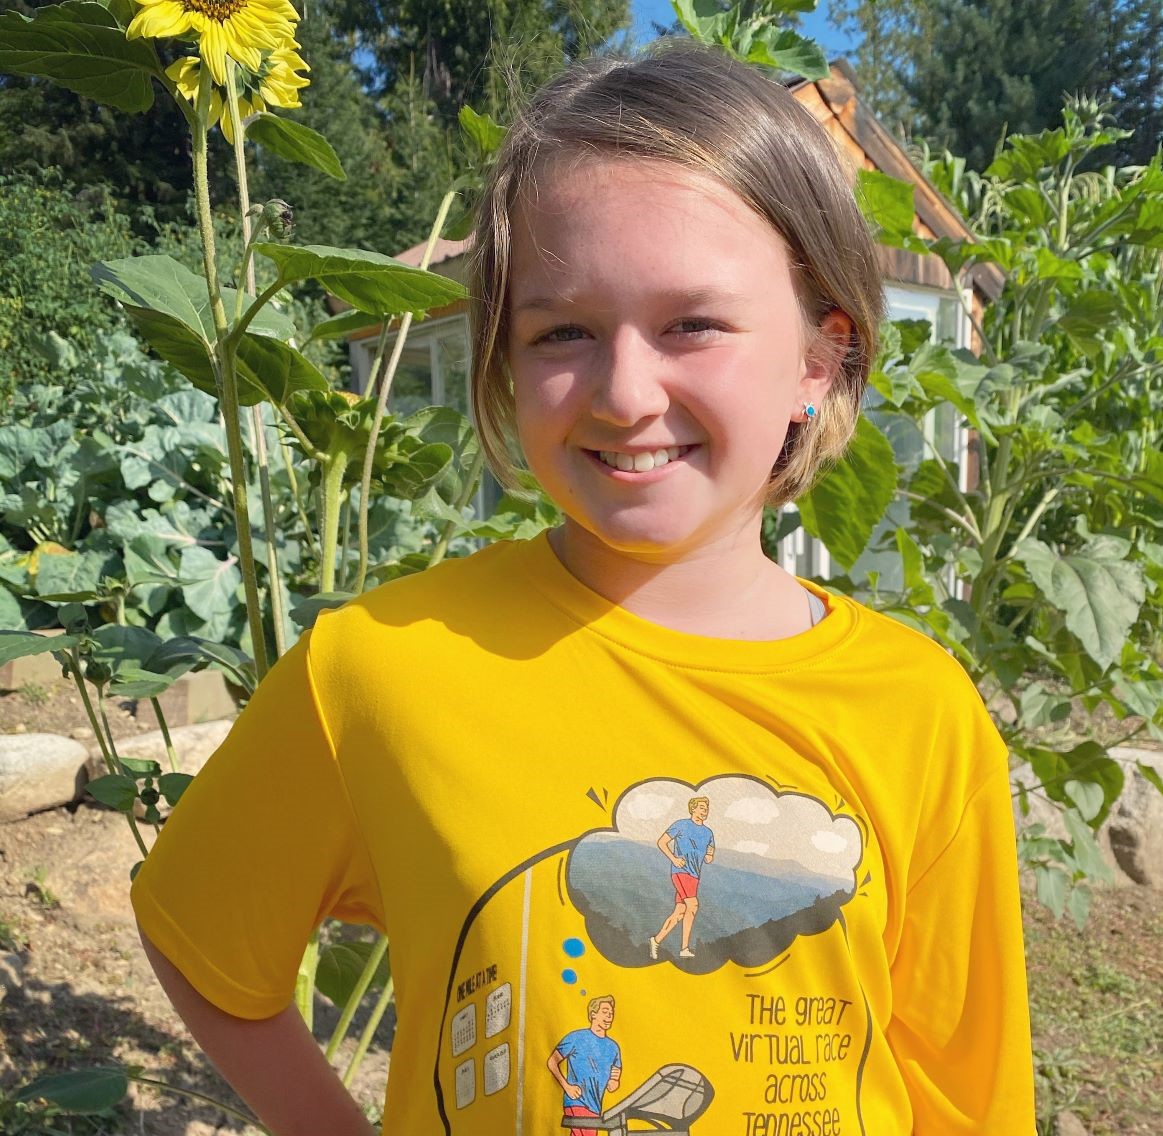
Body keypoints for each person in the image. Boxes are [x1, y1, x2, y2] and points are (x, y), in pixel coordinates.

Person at [130, 42, 1036, 1136]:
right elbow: (200, 934)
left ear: (818, 357)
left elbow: (960, 1092)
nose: (622, 391)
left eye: (691, 323)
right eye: (561, 331)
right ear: (504, 365)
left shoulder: (921, 712)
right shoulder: (377, 666)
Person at [650, 796, 714, 959]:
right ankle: (684, 948)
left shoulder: (708, 832)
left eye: (706, 808)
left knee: (680, 912)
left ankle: (656, 941)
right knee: (693, 905)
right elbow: (661, 842)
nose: (705, 811)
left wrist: (709, 857)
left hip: (694, 876)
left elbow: (711, 850)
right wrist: (674, 859)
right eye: (701, 807)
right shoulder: (681, 825)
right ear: (693, 809)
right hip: (681, 872)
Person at [546, 996, 621, 1134]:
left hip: (595, 1107)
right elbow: (552, 1061)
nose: (609, 1016)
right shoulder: (576, 1037)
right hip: (577, 1101)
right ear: (593, 1014)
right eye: (605, 1011)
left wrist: (614, 1081)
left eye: (611, 1013)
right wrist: (567, 1087)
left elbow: (615, 1074)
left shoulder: (613, 1047)